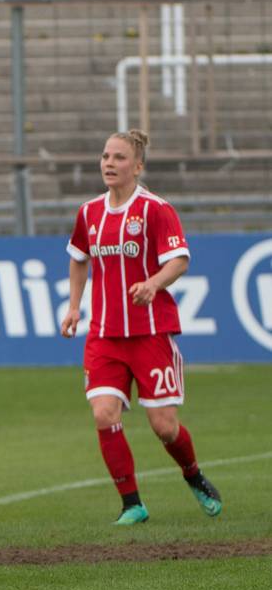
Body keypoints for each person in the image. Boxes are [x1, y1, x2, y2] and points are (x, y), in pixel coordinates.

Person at [60, 129, 221, 525]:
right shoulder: (89, 213)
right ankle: (132, 503)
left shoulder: (155, 209)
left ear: (138, 166)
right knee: (104, 414)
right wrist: (75, 306)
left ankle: (193, 475)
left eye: (118, 157)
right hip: (104, 334)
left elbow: (179, 260)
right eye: (105, 156)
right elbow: (79, 258)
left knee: (164, 426)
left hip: (150, 333)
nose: (109, 163)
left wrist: (153, 284)